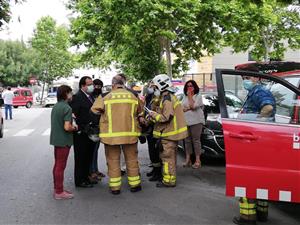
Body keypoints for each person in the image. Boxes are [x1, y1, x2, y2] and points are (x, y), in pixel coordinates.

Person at [233, 68, 276, 225]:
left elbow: (268, 108)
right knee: (260, 180)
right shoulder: (256, 91)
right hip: (260, 143)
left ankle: (247, 218)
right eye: (244, 77)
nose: (246, 79)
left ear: (257, 79)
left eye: (248, 77)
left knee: (246, 180)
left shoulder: (259, 92)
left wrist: (254, 124)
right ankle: (262, 214)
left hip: (254, 142)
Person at [91, 74, 142, 195]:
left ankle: (115, 188)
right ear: (124, 83)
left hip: (111, 136)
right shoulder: (133, 96)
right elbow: (140, 111)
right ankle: (135, 185)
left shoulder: (104, 96)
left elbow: (94, 110)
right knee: (132, 160)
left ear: (113, 84)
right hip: (130, 134)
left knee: (113, 161)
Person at [148, 74, 188, 188]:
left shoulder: (167, 99)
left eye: (155, 87)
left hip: (168, 135)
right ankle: (169, 178)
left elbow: (166, 117)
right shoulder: (167, 97)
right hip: (169, 134)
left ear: (161, 86)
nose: (154, 89)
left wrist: (154, 115)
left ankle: (168, 181)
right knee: (170, 159)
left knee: (167, 159)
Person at [70, 76, 98, 188]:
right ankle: (80, 180)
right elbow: (74, 116)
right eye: (89, 84)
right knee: (81, 157)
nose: (92, 86)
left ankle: (86, 177)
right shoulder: (77, 97)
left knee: (88, 156)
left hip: (90, 132)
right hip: (81, 133)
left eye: (92, 84)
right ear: (82, 86)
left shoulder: (90, 97)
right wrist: (82, 127)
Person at [50, 85, 77, 200]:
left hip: (56, 139)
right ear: (66, 94)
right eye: (70, 93)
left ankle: (57, 188)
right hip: (64, 140)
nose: (71, 95)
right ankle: (59, 192)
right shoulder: (67, 108)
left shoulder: (56, 106)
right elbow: (67, 127)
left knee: (57, 165)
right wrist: (74, 128)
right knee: (61, 166)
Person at [182, 80, 205, 169]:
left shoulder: (198, 96)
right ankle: (188, 160)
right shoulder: (184, 96)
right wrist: (188, 108)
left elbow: (192, 106)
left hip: (196, 121)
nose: (189, 87)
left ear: (195, 86)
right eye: (188, 86)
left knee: (196, 140)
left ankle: (198, 160)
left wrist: (190, 96)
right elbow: (182, 108)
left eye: (191, 86)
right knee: (187, 141)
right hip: (186, 121)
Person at [141, 81, 161, 181]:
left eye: (152, 86)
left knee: (155, 152)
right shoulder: (150, 98)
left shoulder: (159, 98)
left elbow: (155, 114)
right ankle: (154, 169)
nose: (150, 88)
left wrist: (147, 120)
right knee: (151, 151)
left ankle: (158, 172)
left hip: (155, 128)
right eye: (149, 86)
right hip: (150, 128)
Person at [89, 78, 106, 182]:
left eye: (100, 86)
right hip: (92, 127)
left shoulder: (101, 96)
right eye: (96, 86)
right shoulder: (90, 97)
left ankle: (95, 169)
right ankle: (92, 171)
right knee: (92, 151)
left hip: (99, 126)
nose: (98, 88)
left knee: (96, 150)